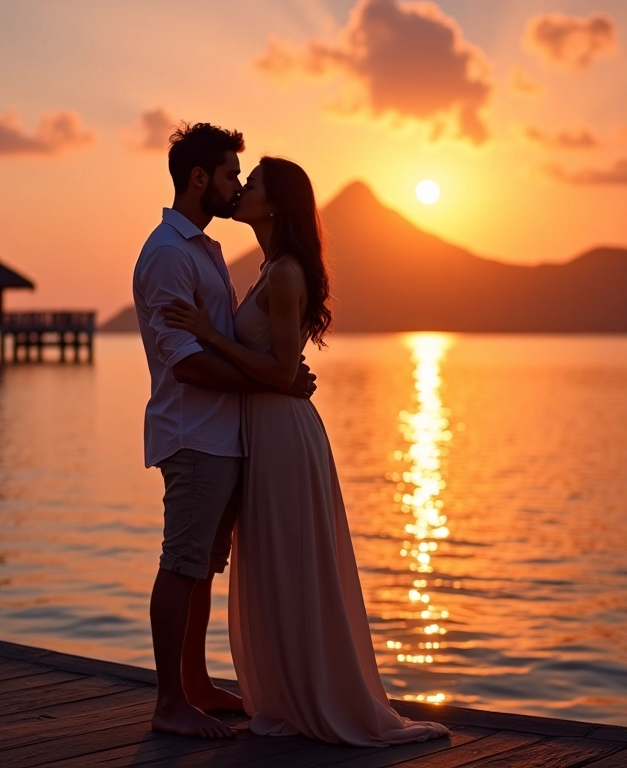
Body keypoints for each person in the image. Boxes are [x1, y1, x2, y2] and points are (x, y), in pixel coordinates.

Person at [161, 156, 451, 745]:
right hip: (262, 432)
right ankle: (290, 693)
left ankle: (317, 697)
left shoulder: (285, 272)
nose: (241, 189)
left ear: (274, 204)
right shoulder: (268, 269)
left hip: (285, 435)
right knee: (273, 565)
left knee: (292, 564)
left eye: (252, 183)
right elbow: (278, 367)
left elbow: (281, 370)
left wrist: (210, 335)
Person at [133, 125, 317, 740]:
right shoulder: (168, 253)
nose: (237, 186)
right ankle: (169, 702)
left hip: (225, 434)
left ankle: (195, 684)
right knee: (182, 563)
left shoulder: (205, 249)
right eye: (231, 175)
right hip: (194, 434)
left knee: (204, 567)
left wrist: (269, 380)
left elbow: (229, 344)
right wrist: (275, 384)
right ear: (199, 179)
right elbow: (185, 362)